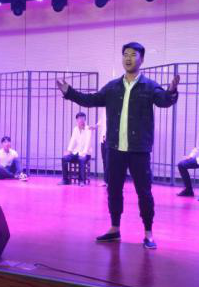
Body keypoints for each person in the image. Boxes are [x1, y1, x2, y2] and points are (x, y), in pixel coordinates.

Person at [56, 42, 180, 250]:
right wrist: (70, 92)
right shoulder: (113, 87)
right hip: (114, 148)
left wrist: (171, 92)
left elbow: (164, 101)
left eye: (133, 54)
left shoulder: (150, 86)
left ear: (142, 59)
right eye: (125, 54)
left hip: (139, 149)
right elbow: (90, 100)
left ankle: (148, 233)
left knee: (144, 192)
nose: (128, 58)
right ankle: (114, 229)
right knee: (114, 190)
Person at [60, 112, 93, 186]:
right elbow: (73, 140)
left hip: (86, 153)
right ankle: (65, 180)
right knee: (64, 158)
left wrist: (84, 153)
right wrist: (69, 150)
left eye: (83, 118)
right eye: (79, 118)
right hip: (76, 152)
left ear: (85, 119)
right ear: (77, 120)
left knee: (82, 159)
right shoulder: (75, 129)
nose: (81, 120)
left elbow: (88, 142)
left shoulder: (88, 129)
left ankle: (81, 181)